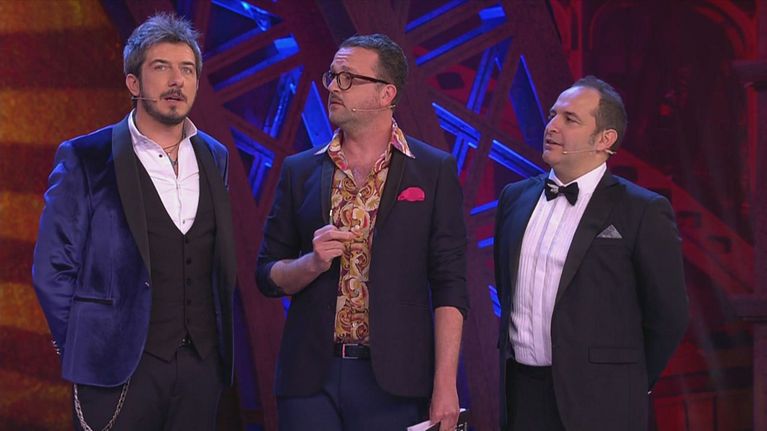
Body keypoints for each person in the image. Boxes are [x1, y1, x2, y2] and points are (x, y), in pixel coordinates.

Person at [31, 12, 236, 431]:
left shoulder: (215, 156)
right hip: (116, 371)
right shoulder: (86, 157)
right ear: (133, 83)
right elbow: (52, 268)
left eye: (187, 70)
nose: (176, 81)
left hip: (201, 369)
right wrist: (88, 345)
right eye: (161, 68)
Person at [256, 33, 469, 431]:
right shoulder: (300, 170)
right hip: (309, 380)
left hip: (395, 381)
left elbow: (450, 284)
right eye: (333, 76)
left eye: (349, 78)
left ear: (387, 93)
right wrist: (311, 263)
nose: (334, 87)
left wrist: (445, 384)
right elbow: (267, 274)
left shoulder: (432, 170)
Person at [493, 76, 689, 431]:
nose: (552, 126)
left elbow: (669, 315)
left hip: (603, 402)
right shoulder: (514, 198)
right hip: (523, 396)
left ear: (604, 139)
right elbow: (506, 290)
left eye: (570, 119)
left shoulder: (642, 210)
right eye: (552, 115)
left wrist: (628, 381)